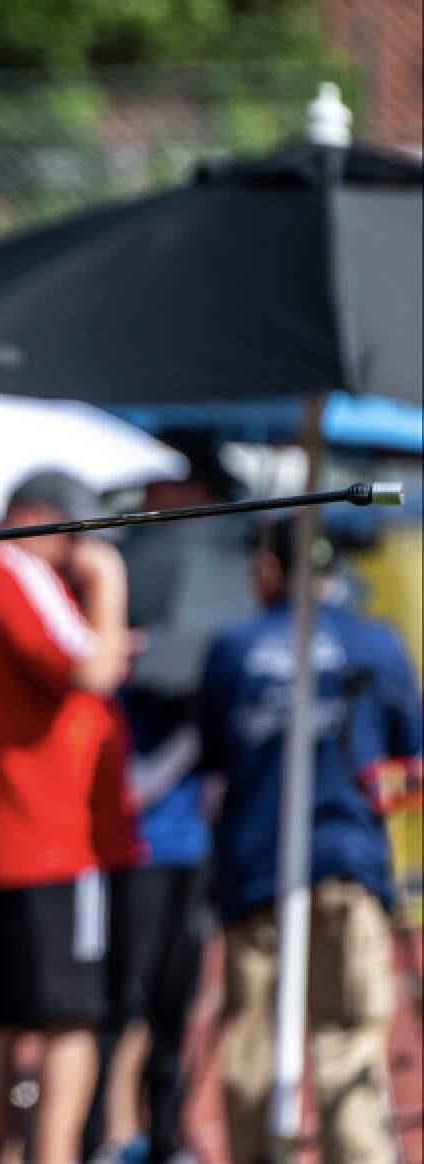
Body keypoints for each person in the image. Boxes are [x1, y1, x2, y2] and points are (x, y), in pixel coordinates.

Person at [0, 471, 135, 1164]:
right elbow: (91, 670)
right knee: (68, 1015)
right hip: (47, 838)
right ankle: (52, 1153)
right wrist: (106, 582)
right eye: (74, 536)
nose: (78, 552)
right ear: (39, 518)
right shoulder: (11, 567)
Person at [199, 519, 422, 1164]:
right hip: (346, 868)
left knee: (252, 1052)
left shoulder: (234, 646)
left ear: (272, 566)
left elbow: (213, 767)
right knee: (349, 1041)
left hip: (255, 873)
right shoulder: (377, 645)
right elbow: (412, 761)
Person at [86, 436, 253, 1164]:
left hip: (183, 840)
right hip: (126, 839)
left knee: (171, 1002)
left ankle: (163, 1132)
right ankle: (101, 1136)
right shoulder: (123, 572)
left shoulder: (215, 581)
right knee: (116, 1001)